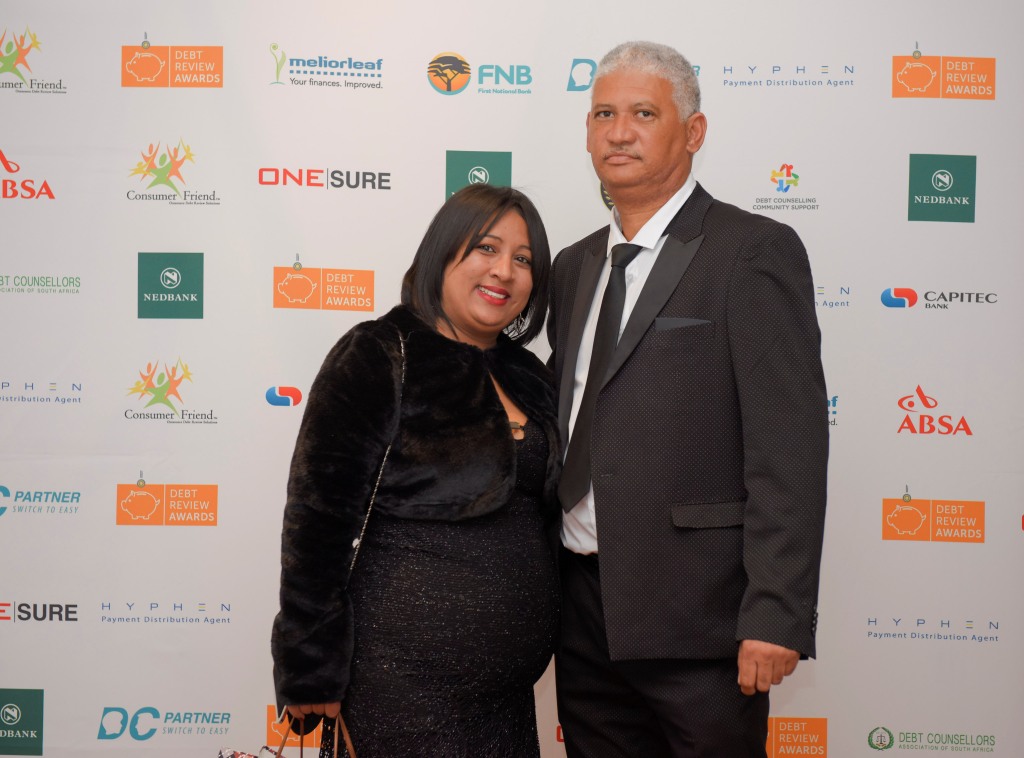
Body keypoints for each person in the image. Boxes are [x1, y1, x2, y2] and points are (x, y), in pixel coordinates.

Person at [548, 41, 829, 757]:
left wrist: (775, 613)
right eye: (603, 114)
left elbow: (789, 448)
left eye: (644, 113)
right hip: (580, 611)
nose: (619, 132)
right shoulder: (573, 266)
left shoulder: (752, 251)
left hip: (703, 620)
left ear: (693, 131)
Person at [272, 184, 561, 757]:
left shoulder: (529, 373)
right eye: (486, 248)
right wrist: (309, 664)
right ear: (442, 251)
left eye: (523, 259)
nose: (504, 270)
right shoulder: (379, 351)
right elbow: (317, 520)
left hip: (506, 703)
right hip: (399, 687)